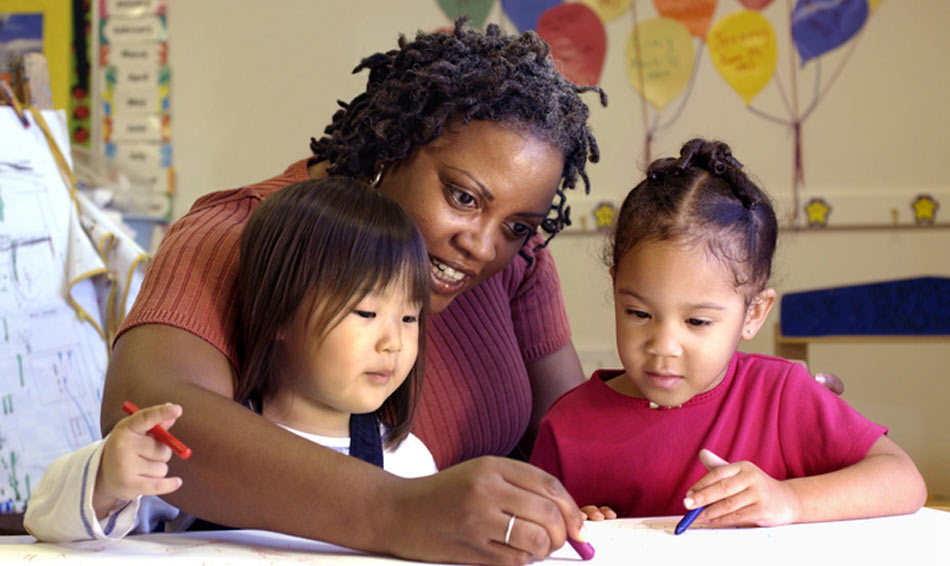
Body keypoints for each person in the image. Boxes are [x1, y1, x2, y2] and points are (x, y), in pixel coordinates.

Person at [99, 18, 599, 564]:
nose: (483, 246)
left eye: (517, 225)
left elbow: (578, 444)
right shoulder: (238, 233)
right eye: (462, 197)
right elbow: (159, 414)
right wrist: (399, 510)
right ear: (391, 149)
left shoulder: (516, 259)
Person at [529, 139, 927, 527]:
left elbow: (902, 479)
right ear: (615, 289)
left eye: (697, 322)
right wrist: (573, 525)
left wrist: (789, 500)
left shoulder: (781, 395)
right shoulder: (567, 425)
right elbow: (540, 526)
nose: (663, 346)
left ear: (753, 313)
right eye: (638, 312)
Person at [24, 178, 437, 542]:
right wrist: (105, 479)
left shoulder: (409, 463)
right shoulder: (198, 450)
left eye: (409, 317)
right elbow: (45, 521)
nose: (393, 343)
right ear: (279, 312)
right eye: (366, 314)